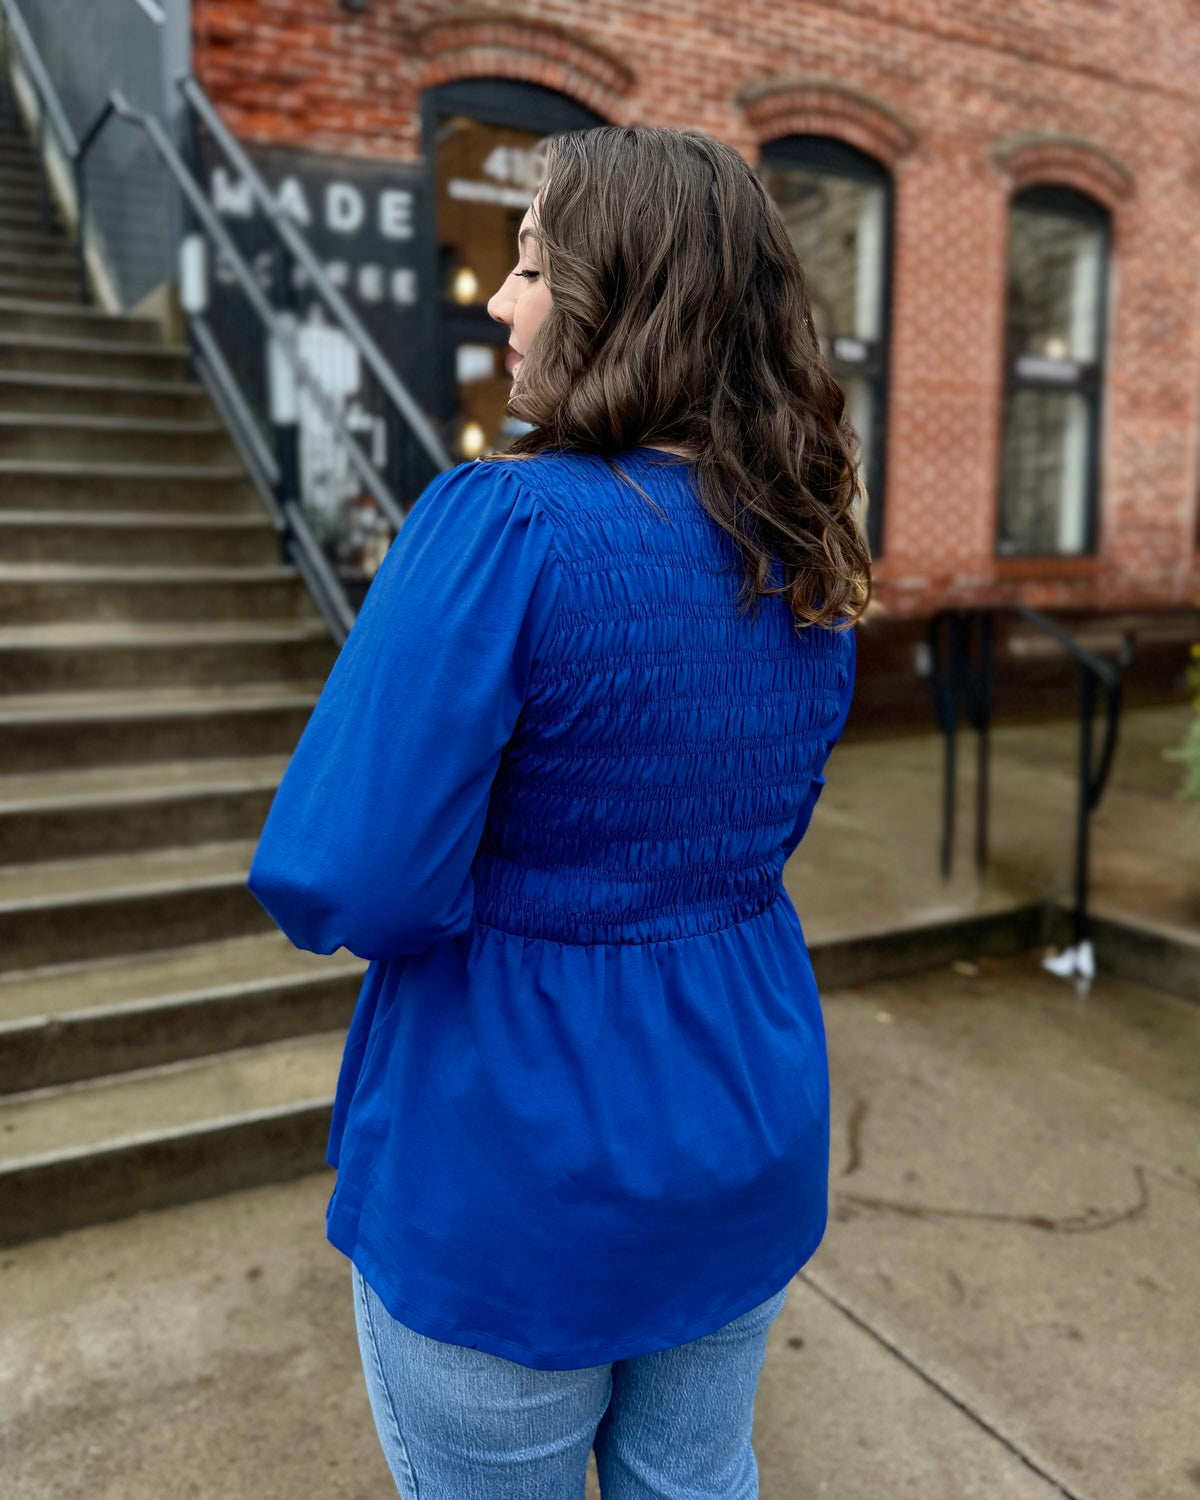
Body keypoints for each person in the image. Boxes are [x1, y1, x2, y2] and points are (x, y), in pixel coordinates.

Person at [247, 123, 872, 1500]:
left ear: (618, 295)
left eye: (530, 267)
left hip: (511, 1155)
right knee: (697, 1480)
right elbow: (756, 827)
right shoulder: (800, 543)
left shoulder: (504, 526)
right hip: (743, 1121)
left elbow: (346, 876)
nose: (498, 299)